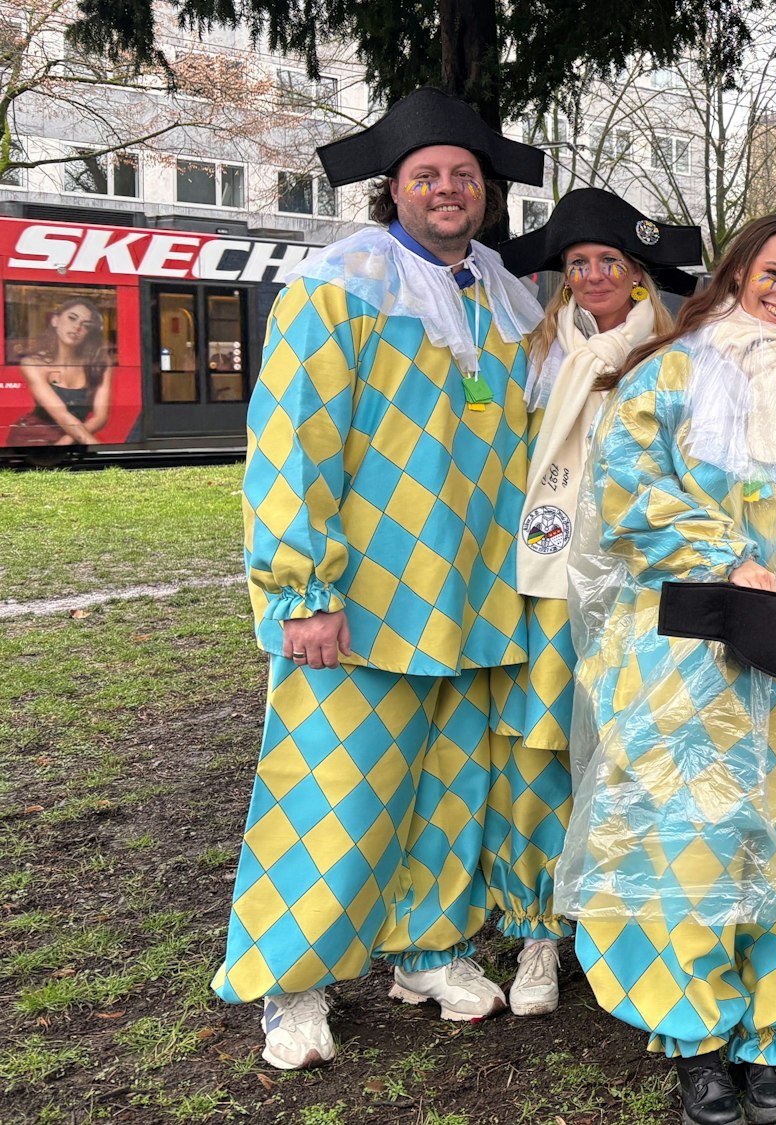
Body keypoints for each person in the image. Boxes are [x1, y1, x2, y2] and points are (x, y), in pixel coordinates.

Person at [216, 87, 551, 1069]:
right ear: (393, 189)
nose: (448, 189)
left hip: (478, 603)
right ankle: (291, 985)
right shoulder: (338, 286)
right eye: (426, 175)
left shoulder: (507, 295)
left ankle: (428, 951)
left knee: (451, 787)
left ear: (486, 190)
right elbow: (292, 442)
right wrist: (302, 594)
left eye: (463, 175)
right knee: (332, 793)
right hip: (363, 604)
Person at [555, 212, 776, 1125]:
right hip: (686, 652)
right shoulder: (669, 372)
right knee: (684, 838)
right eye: (774, 275)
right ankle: (697, 1043)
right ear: (738, 271)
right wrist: (723, 556)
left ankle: (771, 1037)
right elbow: (628, 486)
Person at [486, 189, 704, 1017]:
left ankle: (627, 915)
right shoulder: (541, 349)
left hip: (638, 580)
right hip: (550, 574)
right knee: (543, 750)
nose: (593, 275)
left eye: (609, 260)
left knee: (634, 744)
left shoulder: (676, 353)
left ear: (638, 271)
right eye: (578, 263)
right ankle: (539, 930)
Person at [11, 297, 112, 445]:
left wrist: (67, 440)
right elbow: (62, 414)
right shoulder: (32, 364)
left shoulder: (100, 363)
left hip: (74, 437)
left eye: (86, 325)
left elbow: (100, 417)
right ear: (55, 320)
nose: (77, 327)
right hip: (35, 437)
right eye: (72, 318)